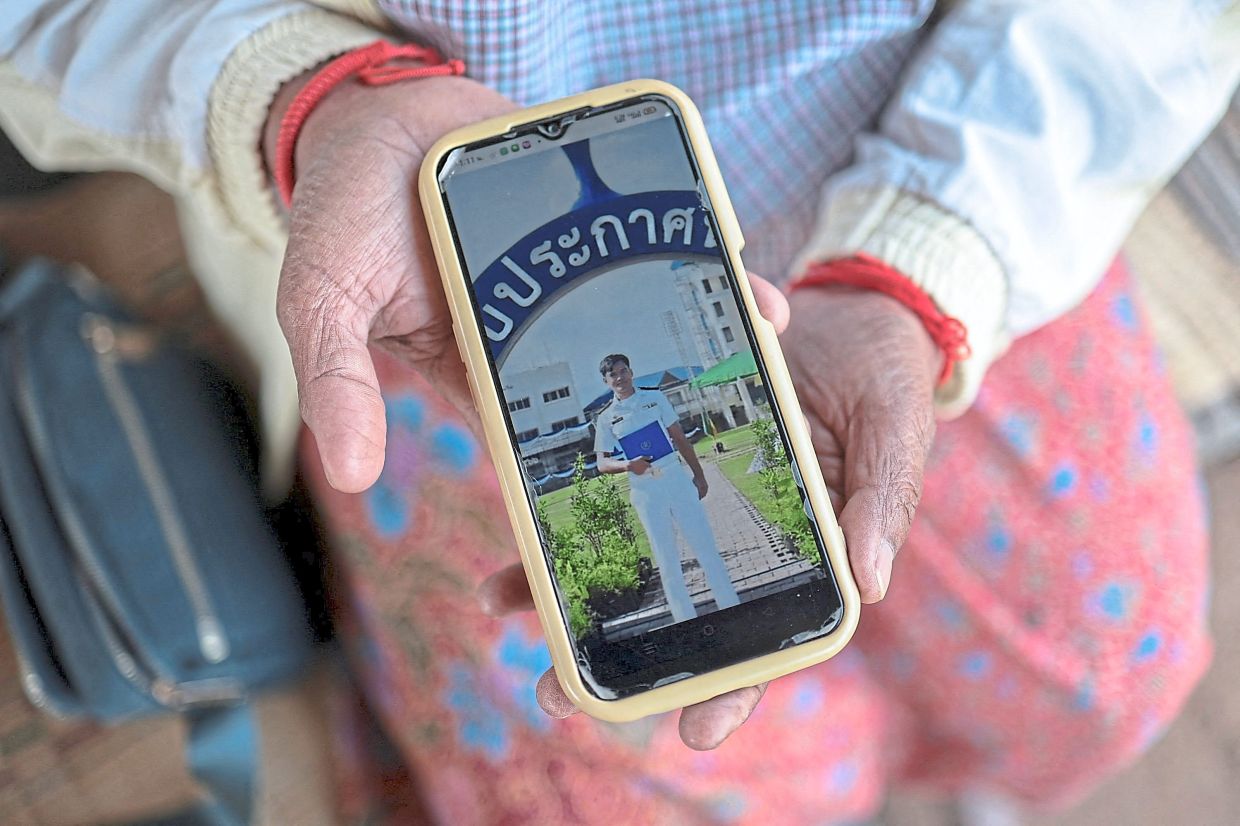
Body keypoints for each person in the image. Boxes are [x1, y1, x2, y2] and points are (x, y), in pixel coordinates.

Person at [2, 1, 1239, 822]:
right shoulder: (598, 407)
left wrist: (928, 259)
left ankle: (916, 757)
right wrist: (295, 94)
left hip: (951, 171)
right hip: (435, 289)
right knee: (615, 764)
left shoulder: (645, 397)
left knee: (1097, 659)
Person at [593, 353, 740, 623]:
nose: (620, 378)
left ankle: (732, 609)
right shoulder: (606, 418)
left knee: (706, 547)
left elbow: (680, 439)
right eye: (613, 375)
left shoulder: (655, 398)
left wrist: (699, 475)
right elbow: (602, 462)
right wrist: (627, 465)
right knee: (667, 560)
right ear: (606, 381)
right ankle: (685, 621)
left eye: (623, 371)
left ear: (631, 372)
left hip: (674, 477)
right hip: (644, 489)